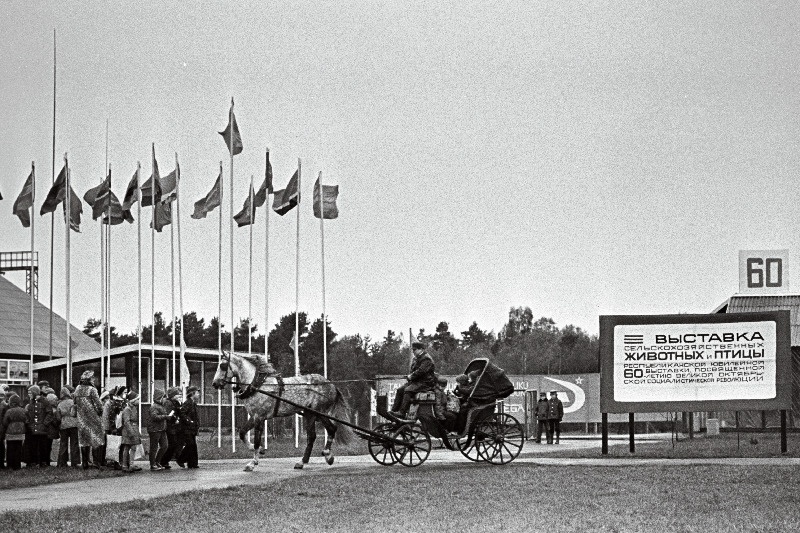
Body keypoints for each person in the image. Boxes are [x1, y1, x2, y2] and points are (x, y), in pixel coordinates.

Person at [388, 339, 437, 419]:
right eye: (413, 350)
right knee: (400, 390)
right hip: (417, 382)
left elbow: (421, 371)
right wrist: (410, 376)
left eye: (415, 350)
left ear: (421, 349)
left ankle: (402, 413)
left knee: (408, 390)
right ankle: (394, 411)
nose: (413, 351)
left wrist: (411, 376)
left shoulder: (426, 359)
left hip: (425, 383)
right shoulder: (417, 358)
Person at [73, 370, 105, 469]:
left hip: (81, 418)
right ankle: (96, 462)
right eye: (93, 377)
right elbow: (98, 404)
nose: (94, 379)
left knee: (83, 440)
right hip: (93, 417)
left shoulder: (77, 389)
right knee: (95, 438)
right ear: (90, 379)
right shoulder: (92, 389)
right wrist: (100, 412)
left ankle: (85, 463)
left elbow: (74, 402)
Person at [24, 384, 51, 467]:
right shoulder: (30, 402)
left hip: (42, 428)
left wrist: (45, 423)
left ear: (35, 392)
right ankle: (34, 462)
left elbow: (49, 413)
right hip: (33, 428)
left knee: (43, 446)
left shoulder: (44, 401)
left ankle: (43, 462)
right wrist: (28, 422)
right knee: (33, 446)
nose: (29, 395)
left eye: (30, 393)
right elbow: (28, 414)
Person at [56, 387, 80, 467]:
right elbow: (77, 413)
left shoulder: (60, 404)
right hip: (74, 425)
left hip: (64, 425)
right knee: (74, 443)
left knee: (63, 444)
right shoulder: (73, 402)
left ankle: (62, 462)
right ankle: (75, 462)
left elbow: (58, 417)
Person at [177, 386, 200, 469]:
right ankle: (180, 459)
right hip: (187, 429)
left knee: (193, 446)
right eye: (197, 393)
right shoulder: (188, 402)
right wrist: (189, 421)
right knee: (190, 445)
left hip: (192, 428)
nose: (198, 394)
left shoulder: (193, 403)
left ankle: (192, 463)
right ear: (192, 394)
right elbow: (182, 413)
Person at [2, 394, 27, 470]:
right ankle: (17, 465)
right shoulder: (23, 410)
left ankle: (10, 465)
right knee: (18, 449)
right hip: (20, 432)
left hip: (10, 432)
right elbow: (26, 420)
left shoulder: (9, 411)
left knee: (10, 449)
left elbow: (5, 422)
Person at [159, 387, 183, 469]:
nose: (180, 396)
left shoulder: (175, 402)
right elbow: (168, 415)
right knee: (172, 444)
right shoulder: (169, 403)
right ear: (173, 395)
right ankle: (163, 461)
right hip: (170, 427)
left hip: (174, 427)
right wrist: (174, 419)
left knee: (174, 444)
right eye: (178, 395)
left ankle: (166, 460)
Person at [120, 391, 142, 472]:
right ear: (133, 400)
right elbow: (126, 422)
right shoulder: (127, 409)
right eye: (137, 399)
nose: (139, 401)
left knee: (132, 447)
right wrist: (131, 432)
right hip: (129, 431)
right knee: (128, 447)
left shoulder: (133, 408)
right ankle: (126, 465)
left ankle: (130, 464)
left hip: (133, 429)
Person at [147, 388, 170, 470]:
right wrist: (165, 417)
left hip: (162, 429)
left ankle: (157, 461)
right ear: (159, 398)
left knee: (165, 446)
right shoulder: (154, 407)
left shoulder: (162, 406)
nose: (165, 399)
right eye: (164, 397)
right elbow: (154, 417)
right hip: (154, 429)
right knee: (154, 447)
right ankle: (152, 464)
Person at [0, 384, 8, 469]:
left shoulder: (4, 405)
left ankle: (1, 463)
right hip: (2, 427)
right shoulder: (5, 405)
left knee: (1, 446)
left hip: (2, 427)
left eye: (2, 395)